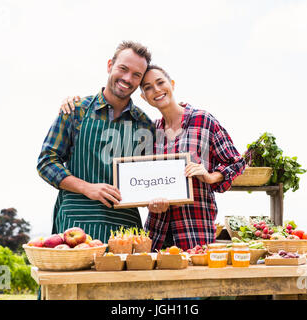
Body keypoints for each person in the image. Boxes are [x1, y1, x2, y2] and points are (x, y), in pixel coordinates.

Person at [59, 65, 246, 252]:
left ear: (171, 84)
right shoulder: (149, 130)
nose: (156, 90)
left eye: (160, 82)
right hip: (156, 232)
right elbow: (139, 179)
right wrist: (150, 201)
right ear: (144, 97)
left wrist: (211, 176)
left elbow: (236, 162)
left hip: (194, 228)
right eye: (148, 87)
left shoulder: (203, 120)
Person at [37, 41, 155, 244]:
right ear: (110, 65)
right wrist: (87, 188)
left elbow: (150, 181)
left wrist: (156, 200)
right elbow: (46, 162)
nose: (127, 78)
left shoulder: (145, 125)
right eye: (123, 69)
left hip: (125, 229)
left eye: (136, 75)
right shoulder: (76, 110)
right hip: (76, 223)